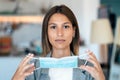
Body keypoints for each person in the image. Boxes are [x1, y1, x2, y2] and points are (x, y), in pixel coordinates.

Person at [12, 5, 105, 80]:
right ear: (46, 32)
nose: (59, 33)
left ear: (73, 31)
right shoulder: (33, 69)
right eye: (53, 27)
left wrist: (101, 78)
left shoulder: (88, 68)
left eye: (65, 27)